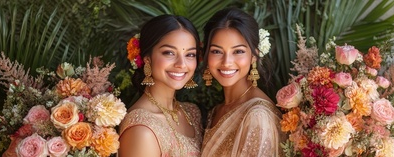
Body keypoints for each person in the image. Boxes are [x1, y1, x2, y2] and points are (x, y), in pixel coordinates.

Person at [200, 8, 284, 157]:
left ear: (254, 55)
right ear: (206, 55)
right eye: (217, 51)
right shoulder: (217, 110)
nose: (227, 62)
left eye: (238, 51)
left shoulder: (258, 116)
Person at [118, 15, 202, 157]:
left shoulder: (192, 113)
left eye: (190, 54)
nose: (181, 64)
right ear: (147, 59)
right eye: (169, 53)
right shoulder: (141, 129)